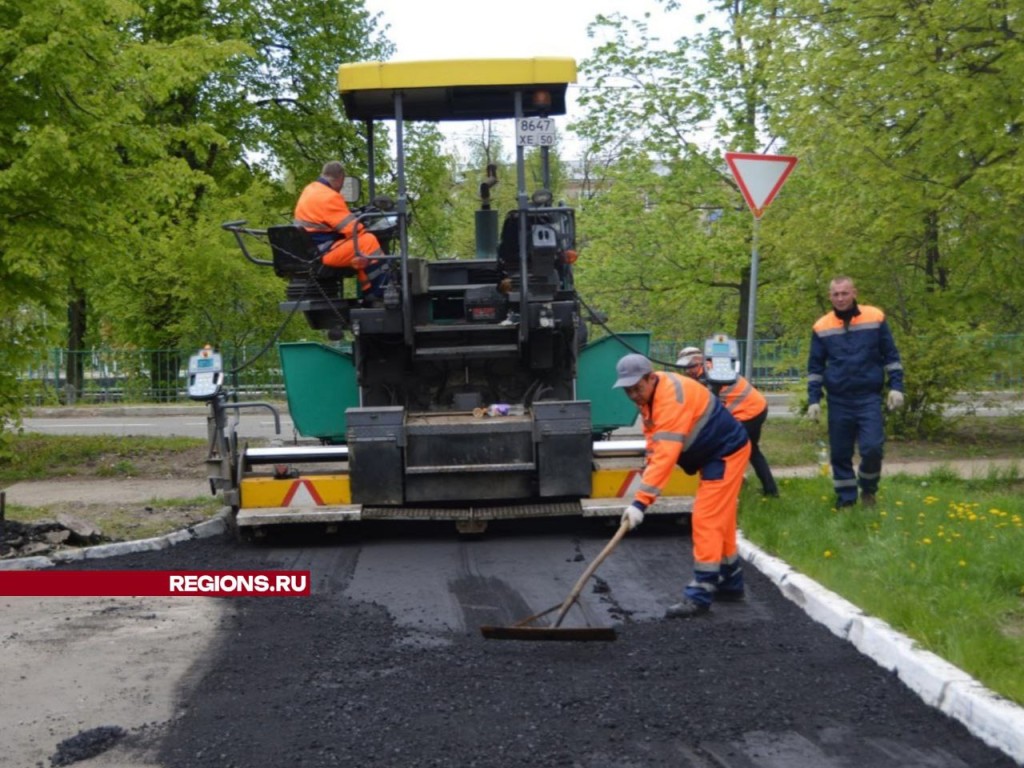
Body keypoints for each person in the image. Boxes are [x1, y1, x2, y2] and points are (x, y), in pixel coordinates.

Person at [614, 353, 751, 618]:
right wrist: (648, 470)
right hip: (714, 452)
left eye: (637, 388)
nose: (633, 394)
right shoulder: (650, 396)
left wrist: (641, 502)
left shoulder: (670, 398)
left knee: (706, 519)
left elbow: (666, 454)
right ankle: (731, 582)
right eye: (628, 390)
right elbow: (655, 442)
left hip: (725, 452)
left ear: (651, 378)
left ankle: (700, 594)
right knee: (719, 520)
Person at [806, 276, 905, 508]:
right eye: (835, 294)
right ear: (830, 296)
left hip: (868, 397)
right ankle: (846, 501)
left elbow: (891, 356)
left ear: (854, 293)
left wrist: (896, 387)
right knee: (840, 453)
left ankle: (868, 490)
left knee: (872, 449)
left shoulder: (875, 317)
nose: (840, 298)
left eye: (845, 293)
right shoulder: (822, 326)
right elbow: (815, 367)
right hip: (839, 400)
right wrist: (814, 400)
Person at [676, 346, 779, 497]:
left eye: (689, 366)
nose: (687, 371)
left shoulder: (708, 375)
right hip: (757, 408)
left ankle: (735, 484)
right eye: (685, 368)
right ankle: (770, 490)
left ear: (698, 360)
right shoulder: (709, 370)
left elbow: (707, 405)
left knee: (727, 448)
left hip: (748, 413)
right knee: (752, 451)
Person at [293, 161, 387, 297]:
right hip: (322, 252)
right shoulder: (329, 196)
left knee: (358, 248)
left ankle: (367, 290)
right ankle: (380, 292)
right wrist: (363, 225)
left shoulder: (310, 189)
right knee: (368, 241)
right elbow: (352, 229)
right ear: (340, 178)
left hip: (309, 249)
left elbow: (327, 220)